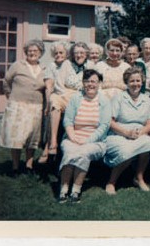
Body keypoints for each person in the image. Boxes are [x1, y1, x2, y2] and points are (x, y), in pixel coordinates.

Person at [58, 69, 111, 203]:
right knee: (70, 151)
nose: (90, 84)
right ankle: (64, 190)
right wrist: (72, 137)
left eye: (93, 81)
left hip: (96, 141)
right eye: (86, 81)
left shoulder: (104, 101)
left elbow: (104, 126)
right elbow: (68, 120)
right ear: (82, 83)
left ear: (99, 83)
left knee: (83, 152)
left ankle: (76, 190)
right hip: (72, 137)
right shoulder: (76, 98)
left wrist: (87, 140)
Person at [0, 39, 46, 176]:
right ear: (25, 52)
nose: (32, 53)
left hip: (36, 107)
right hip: (17, 105)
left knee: (32, 138)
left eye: (35, 51)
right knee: (16, 137)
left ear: (40, 53)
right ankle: (15, 167)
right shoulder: (17, 65)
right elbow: (6, 81)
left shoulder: (44, 68)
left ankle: (29, 166)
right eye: (29, 51)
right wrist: (10, 95)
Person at [104, 67, 150, 195]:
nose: (135, 84)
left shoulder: (146, 99)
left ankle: (139, 178)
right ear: (126, 82)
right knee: (127, 151)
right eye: (132, 81)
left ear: (142, 82)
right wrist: (127, 133)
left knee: (147, 142)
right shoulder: (119, 97)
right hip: (118, 133)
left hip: (138, 133)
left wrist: (141, 132)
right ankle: (111, 182)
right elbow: (110, 122)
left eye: (138, 80)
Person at [38, 40, 77, 164]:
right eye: (56, 53)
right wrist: (47, 104)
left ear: (66, 54)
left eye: (61, 52)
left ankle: (49, 148)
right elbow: (49, 86)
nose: (59, 55)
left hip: (70, 94)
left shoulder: (68, 64)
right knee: (54, 104)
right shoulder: (51, 66)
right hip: (58, 95)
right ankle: (53, 143)